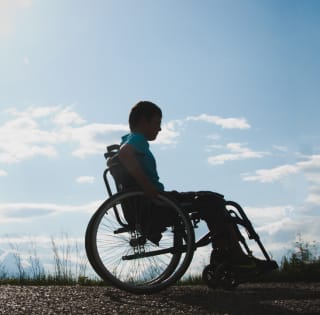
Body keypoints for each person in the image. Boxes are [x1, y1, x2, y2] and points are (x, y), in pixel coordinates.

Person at [113, 100, 265, 269]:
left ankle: (227, 253)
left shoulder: (129, 139)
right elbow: (125, 154)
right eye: (157, 122)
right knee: (212, 201)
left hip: (149, 204)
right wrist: (147, 186)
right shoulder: (136, 140)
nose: (160, 128)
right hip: (156, 203)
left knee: (212, 201)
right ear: (143, 120)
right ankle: (232, 256)